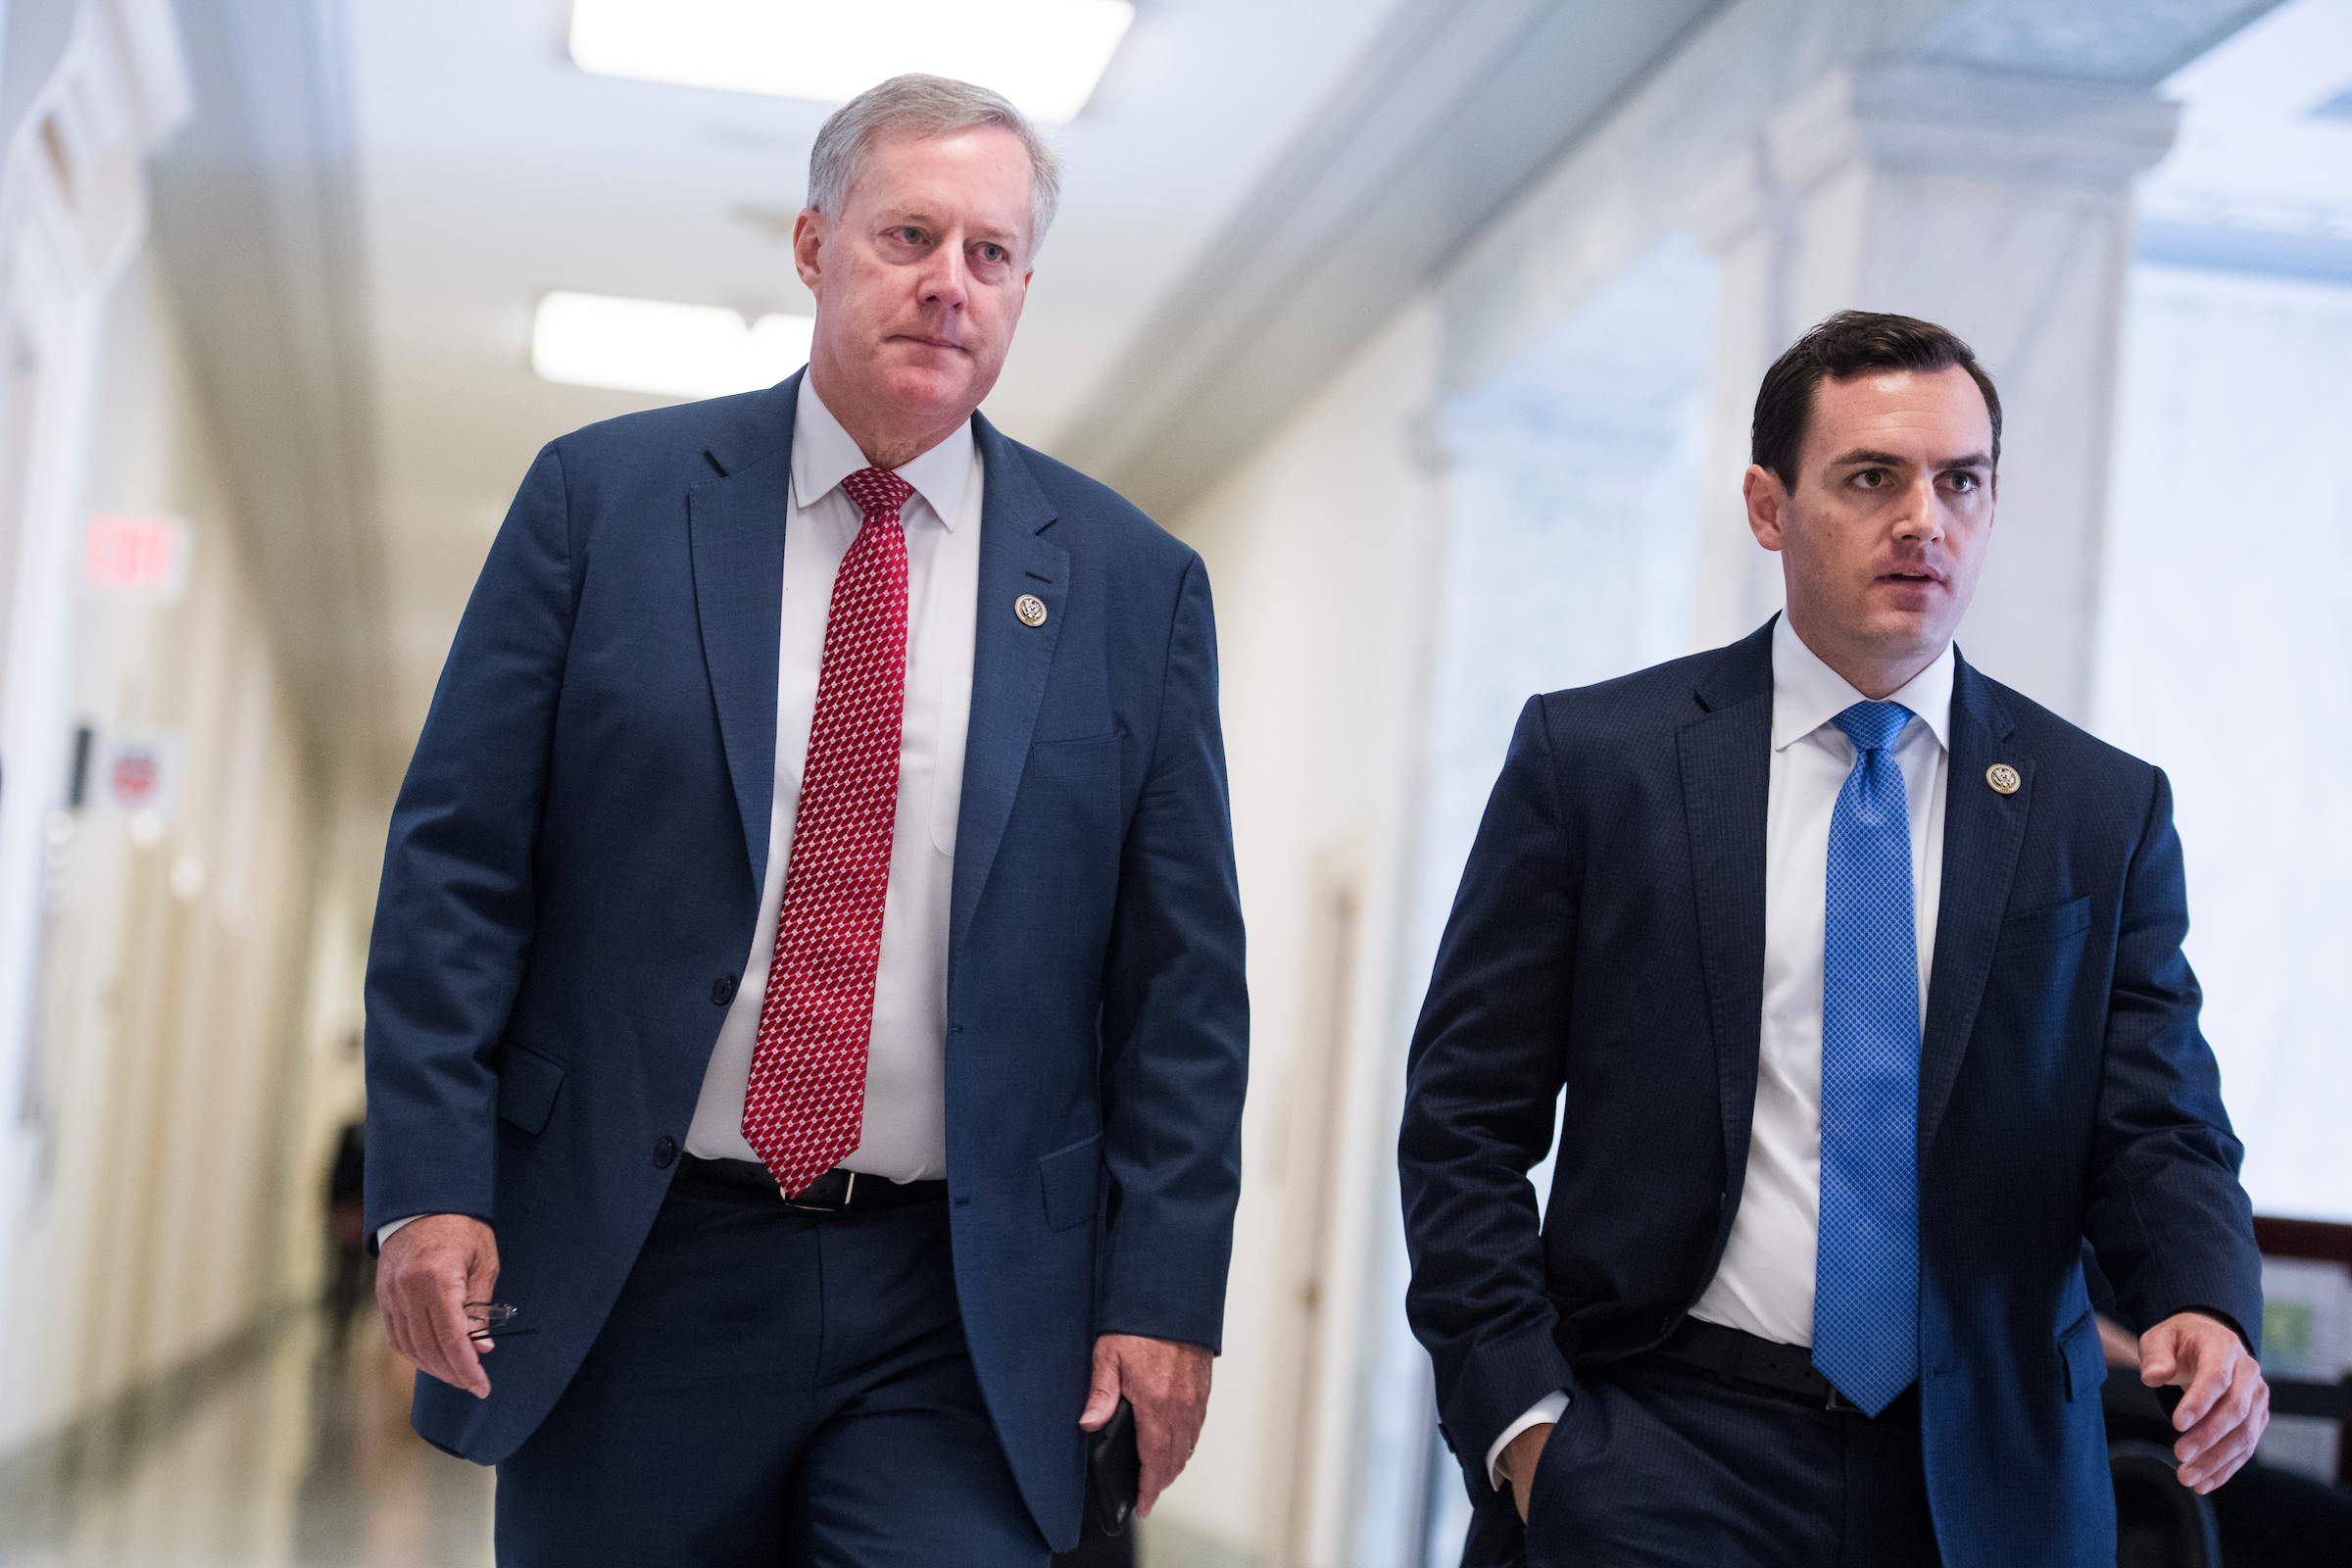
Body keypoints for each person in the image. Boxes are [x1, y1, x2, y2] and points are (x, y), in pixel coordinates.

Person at [363, 74, 1248, 1567]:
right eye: (910, 234)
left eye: (990, 254)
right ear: (812, 243)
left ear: (1025, 285)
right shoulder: (605, 504)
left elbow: (1183, 989)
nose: (948, 285)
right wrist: (430, 1185)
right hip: (643, 1264)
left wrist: (1165, 1291)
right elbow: (459, 867)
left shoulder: (1128, 584)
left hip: (959, 1302)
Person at [1397, 311, 2268, 1566]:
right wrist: (1528, 1424)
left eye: (1958, 481)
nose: (1925, 518)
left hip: (1985, 1472)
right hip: (1659, 1445)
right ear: (1769, 504)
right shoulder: (1599, 766)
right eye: (1873, 478)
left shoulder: (2097, 809)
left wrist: (2201, 1297)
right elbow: (1464, 1120)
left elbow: (2156, 1121)